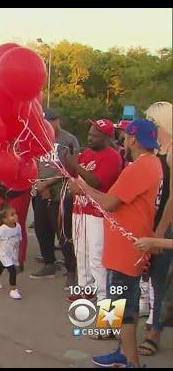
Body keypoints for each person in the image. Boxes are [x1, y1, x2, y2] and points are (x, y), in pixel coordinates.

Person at [72, 120, 162, 368]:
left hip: (125, 248)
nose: (123, 138)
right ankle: (121, 352)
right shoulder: (153, 164)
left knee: (122, 308)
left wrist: (82, 188)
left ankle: (130, 361)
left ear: (132, 139)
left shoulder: (139, 168)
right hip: (129, 244)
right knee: (119, 303)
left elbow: (110, 202)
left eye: (126, 135)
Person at [65, 119, 122, 308]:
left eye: (94, 136)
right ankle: (84, 288)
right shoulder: (87, 153)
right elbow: (76, 177)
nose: (89, 138)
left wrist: (75, 166)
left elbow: (96, 182)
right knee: (80, 252)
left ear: (107, 138)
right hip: (79, 209)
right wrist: (68, 164)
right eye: (89, 134)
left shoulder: (112, 156)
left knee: (96, 256)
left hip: (97, 213)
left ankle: (103, 296)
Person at [135, 101, 172, 357]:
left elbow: (172, 198)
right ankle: (116, 329)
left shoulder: (170, 153)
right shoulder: (150, 153)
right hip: (144, 225)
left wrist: (159, 234)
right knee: (129, 280)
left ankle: (154, 332)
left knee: (160, 281)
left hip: (163, 228)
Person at [31, 108, 80, 280]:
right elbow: (33, 161)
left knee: (64, 233)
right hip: (41, 191)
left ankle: (71, 269)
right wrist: (38, 183)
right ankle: (49, 262)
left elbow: (72, 168)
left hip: (61, 193)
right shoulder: (38, 137)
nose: (46, 125)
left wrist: (48, 183)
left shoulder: (68, 140)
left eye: (50, 121)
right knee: (41, 228)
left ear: (57, 120)